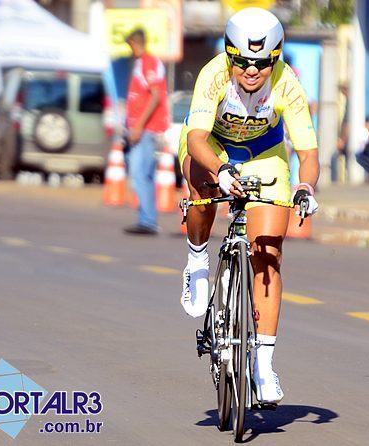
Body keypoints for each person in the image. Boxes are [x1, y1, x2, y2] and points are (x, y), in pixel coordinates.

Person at [178, 8, 319, 403]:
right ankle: (197, 259)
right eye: (241, 60)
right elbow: (196, 141)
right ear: (229, 54)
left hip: (264, 155)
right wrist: (221, 169)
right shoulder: (213, 74)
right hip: (212, 148)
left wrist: (305, 186)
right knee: (202, 183)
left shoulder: (287, 83)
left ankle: (262, 365)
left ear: (274, 58)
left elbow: (307, 152)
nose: (251, 70)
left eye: (260, 62)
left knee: (269, 254)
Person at [123, 29, 169, 235]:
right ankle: (145, 218)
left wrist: (139, 126)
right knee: (142, 175)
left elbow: (156, 96)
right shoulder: (141, 64)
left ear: (135, 42)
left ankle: (148, 220)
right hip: (140, 129)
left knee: (140, 174)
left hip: (147, 130)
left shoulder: (149, 62)